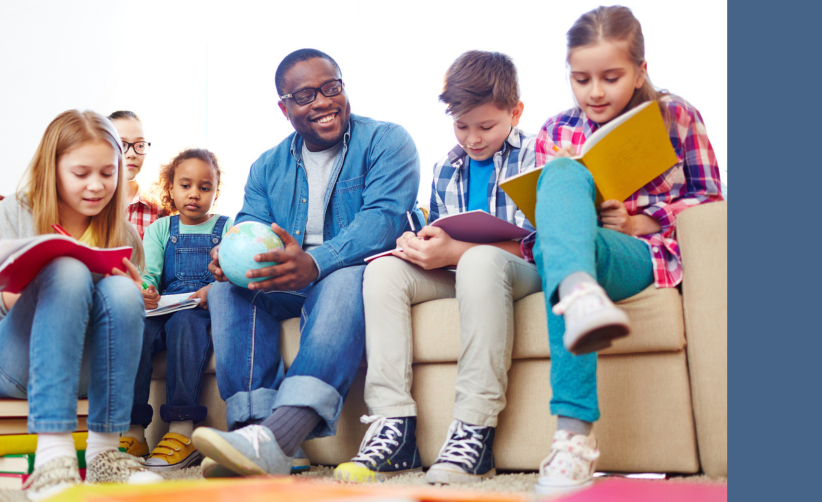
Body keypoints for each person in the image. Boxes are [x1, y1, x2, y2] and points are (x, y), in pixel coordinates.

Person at [189, 48, 421, 477]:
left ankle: (279, 436)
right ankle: (254, 433)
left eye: (331, 87)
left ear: (343, 86)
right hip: (291, 279)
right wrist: (229, 260)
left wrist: (315, 263)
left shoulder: (387, 141)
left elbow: (383, 221)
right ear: (285, 107)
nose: (322, 102)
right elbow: (248, 228)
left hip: (348, 272)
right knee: (227, 291)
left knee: (347, 277)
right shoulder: (267, 166)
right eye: (305, 95)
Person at [529, 6, 723, 495]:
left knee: (560, 255)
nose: (595, 92)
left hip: (642, 256)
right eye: (581, 79)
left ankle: (571, 441)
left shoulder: (676, 115)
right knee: (562, 174)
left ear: (640, 70)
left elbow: (711, 201)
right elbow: (538, 222)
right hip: (581, 248)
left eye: (611, 77)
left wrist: (642, 221)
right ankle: (580, 294)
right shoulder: (556, 130)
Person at [333, 51, 542, 485]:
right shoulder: (447, 165)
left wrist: (456, 251)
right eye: (462, 126)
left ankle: (473, 429)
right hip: (460, 272)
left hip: (517, 270)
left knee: (481, 260)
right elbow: (443, 229)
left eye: (486, 126)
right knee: (384, 270)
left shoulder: (538, 155)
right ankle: (393, 428)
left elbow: (541, 244)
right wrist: (420, 243)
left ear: (515, 112)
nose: (473, 138)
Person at [0, 110, 163, 501]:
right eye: (81, 173)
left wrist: (134, 297)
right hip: (13, 364)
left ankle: (105, 456)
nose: (96, 186)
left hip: (85, 370)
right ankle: (53, 458)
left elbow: (122, 318)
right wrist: (31, 288)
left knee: (122, 293)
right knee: (66, 269)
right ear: (52, 169)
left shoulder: (120, 232)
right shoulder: (16, 211)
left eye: (108, 173)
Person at [118, 149, 232, 473]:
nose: (194, 194)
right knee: (135, 328)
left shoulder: (228, 227)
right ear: (171, 188)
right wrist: (145, 291)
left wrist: (216, 288)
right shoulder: (160, 229)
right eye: (185, 185)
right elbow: (149, 274)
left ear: (216, 192)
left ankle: (182, 431)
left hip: (199, 311)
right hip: (164, 308)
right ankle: (133, 431)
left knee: (184, 324)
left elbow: (235, 270)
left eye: (204, 187)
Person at [109, 110, 167, 240]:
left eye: (140, 145)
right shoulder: (91, 206)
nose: (131, 154)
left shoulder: (159, 211)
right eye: (122, 144)